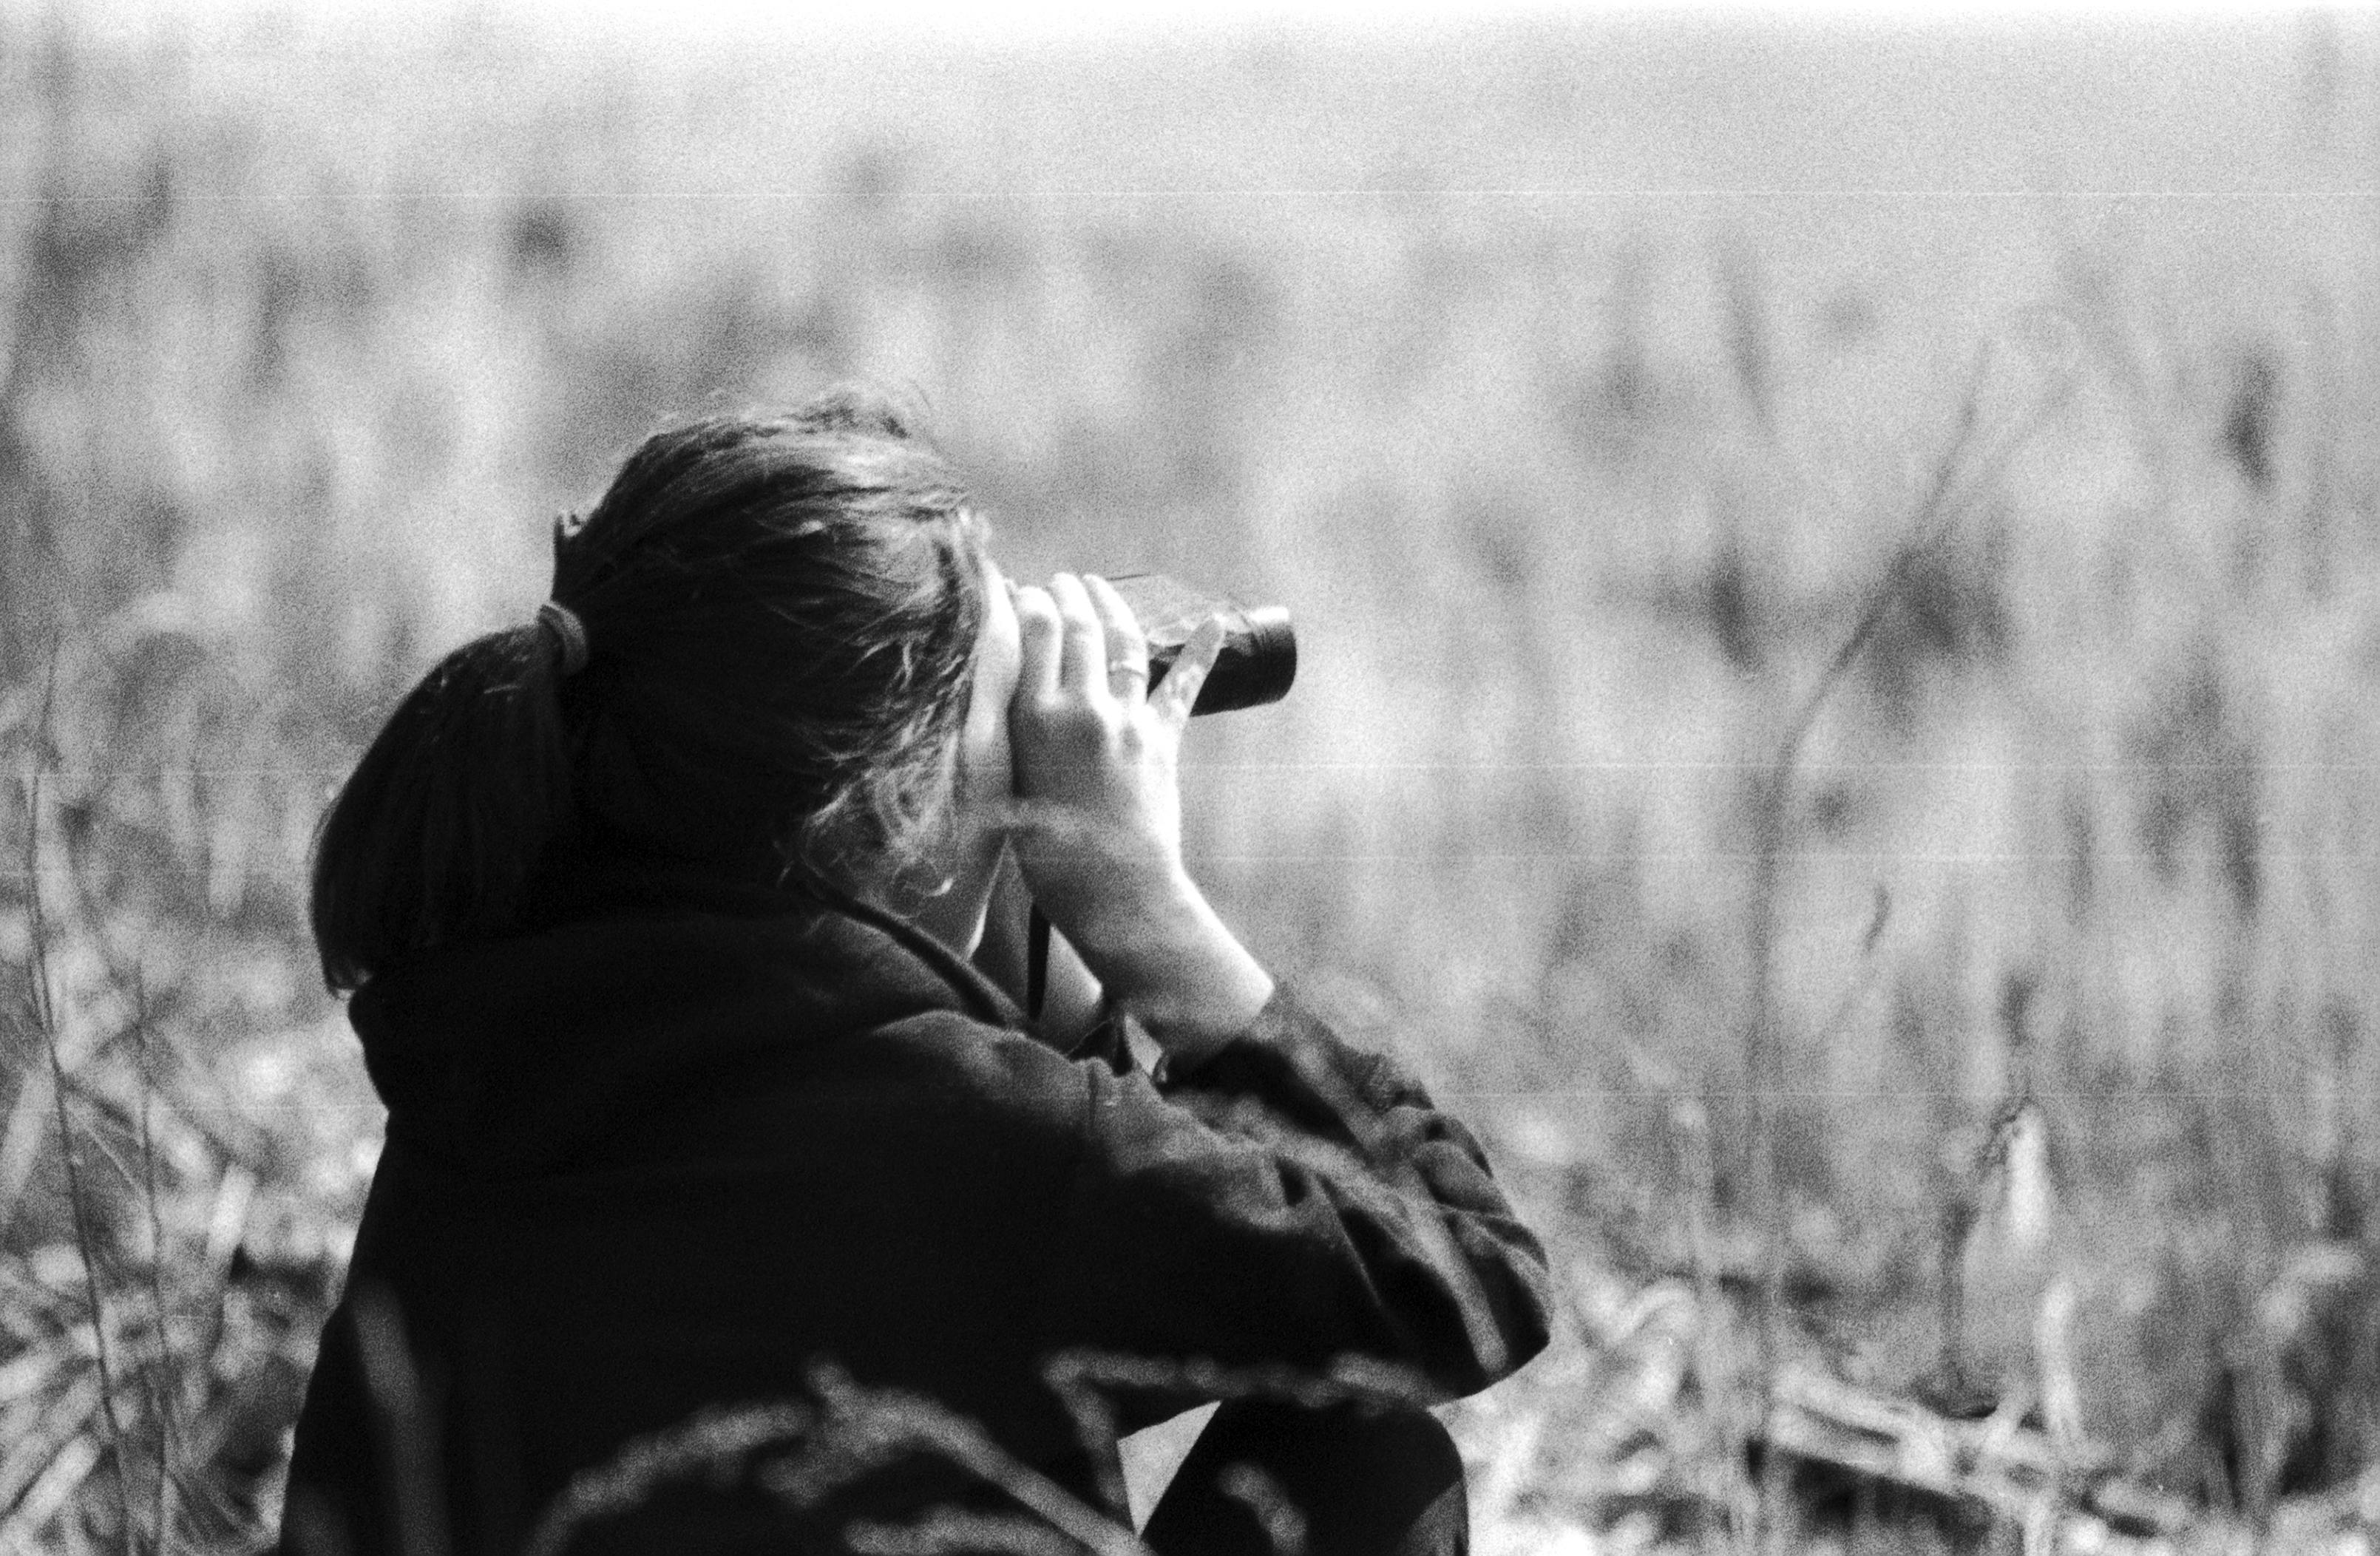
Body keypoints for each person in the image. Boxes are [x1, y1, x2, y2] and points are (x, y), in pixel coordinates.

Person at [279, 390, 1554, 1556]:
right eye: (1016, 746)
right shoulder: (967, 1134)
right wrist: (1141, 908)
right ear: (892, 798)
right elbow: (1466, 1280)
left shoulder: (492, 1034)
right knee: (1369, 1458)